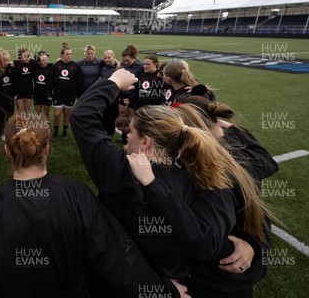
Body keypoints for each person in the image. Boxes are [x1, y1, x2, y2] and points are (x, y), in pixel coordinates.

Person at [0, 112, 188, 298]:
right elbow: (116, 258)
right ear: (47, 149)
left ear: (8, 150)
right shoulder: (76, 196)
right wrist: (164, 290)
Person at [112, 69, 272, 297]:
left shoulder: (212, 174)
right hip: (214, 276)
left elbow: (206, 238)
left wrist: (253, 247)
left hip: (214, 281)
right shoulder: (212, 165)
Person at [49, 43, 82, 141]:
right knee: (57, 115)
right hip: (58, 95)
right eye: (67, 54)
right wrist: (49, 94)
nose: (69, 56)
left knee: (67, 115)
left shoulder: (75, 66)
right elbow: (50, 81)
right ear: (62, 55)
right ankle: (55, 132)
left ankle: (64, 133)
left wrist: (78, 95)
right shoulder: (56, 65)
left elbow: (79, 82)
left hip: (70, 96)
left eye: (71, 54)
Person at [0, 48, 15, 142]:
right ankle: (1, 133)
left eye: (7, 60)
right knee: (0, 116)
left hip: (9, 96)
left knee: (10, 115)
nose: (6, 62)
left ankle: (9, 131)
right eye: (4, 60)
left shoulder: (11, 67)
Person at [118, 45, 144, 115]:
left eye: (128, 61)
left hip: (134, 96)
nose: (125, 63)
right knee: (122, 117)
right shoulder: (121, 64)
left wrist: (131, 98)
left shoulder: (140, 66)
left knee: (132, 120)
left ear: (134, 58)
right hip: (123, 95)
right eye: (124, 60)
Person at [99, 50, 120, 136]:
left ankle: (110, 134)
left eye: (109, 57)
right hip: (104, 95)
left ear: (113, 57)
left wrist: (118, 63)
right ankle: (103, 132)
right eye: (105, 58)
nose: (107, 60)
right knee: (103, 114)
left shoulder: (118, 67)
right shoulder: (102, 65)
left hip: (114, 95)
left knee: (112, 116)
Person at [12, 47, 34, 112]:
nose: (27, 58)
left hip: (28, 90)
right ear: (20, 56)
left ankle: (26, 122)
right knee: (20, 111)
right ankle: (20, 122)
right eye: (24, 56)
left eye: (28, 56)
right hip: (18, 91)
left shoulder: (31, 63)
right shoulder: (15, 63)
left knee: (27, 110)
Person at [32, 52, 52, 119]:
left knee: (47, 112)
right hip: (37, 94)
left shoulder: (51, 67)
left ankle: (47, 128)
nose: (45, 62)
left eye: (46, 60)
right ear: (39, 61)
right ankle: (38, 128)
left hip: (47, 95)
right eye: (43, 60)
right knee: (38, 112)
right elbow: (33, 59)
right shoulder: (35, 68)